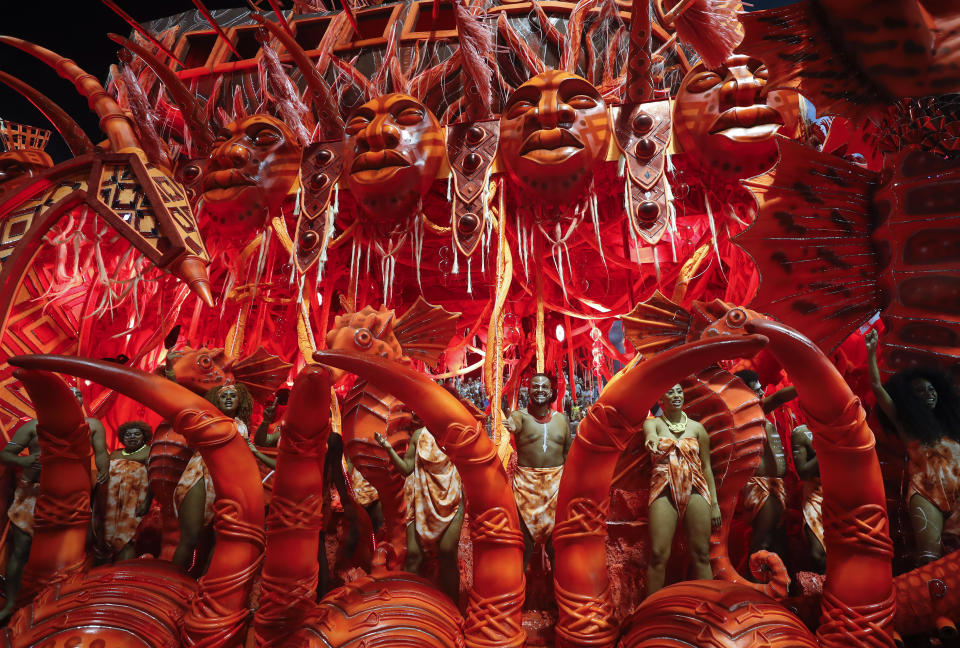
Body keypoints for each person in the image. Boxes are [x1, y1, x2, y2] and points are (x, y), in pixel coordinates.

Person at [0, 386, 107, 622]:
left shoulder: (92, 426)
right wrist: (27, 459)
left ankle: (54, 604)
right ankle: (12, 603)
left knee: (69, 554)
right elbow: (6, 454)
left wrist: (104, 472)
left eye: (75, 397)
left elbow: (101, 454)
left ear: (79, 402)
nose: (70, 402)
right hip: (32, 496)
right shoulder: (32, 427)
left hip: (72, 500)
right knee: (20, 549)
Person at [866, 329, 960, 564]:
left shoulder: (952, 425)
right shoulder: (907, 426)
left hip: (957, 492)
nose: (929, 395)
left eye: (932, 389)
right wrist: (870, 352)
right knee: (928, 559)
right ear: (910, 399)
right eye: (920, 392)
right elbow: (877, 388)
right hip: (925, 493)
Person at [172, 383, 270, 569]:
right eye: (223, 395)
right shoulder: (207, 418)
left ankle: (201, 584)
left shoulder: (241, 425)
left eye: (233, 395)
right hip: (201, 471)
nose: (228, 398)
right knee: (191, 537)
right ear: (215, 399)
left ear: (240, 401)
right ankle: (170, 587)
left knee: (219, 539)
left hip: (228, 479)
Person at [643, 384, 721, 595]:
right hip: (663, 486)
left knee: (702, 554)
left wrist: (714, 504)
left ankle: (708, 607)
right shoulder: (655, 424)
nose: (676, 395)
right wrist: (650, 439)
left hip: (696, 487)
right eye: (670, 391)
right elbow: (649, 433)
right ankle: (650, 612)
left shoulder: (697, 428)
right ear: (661, 397)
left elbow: (706, 468)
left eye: (679, 391)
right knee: (659, 554)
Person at [376, 426, 464, 602]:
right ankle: (410, 609)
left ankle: (454, 610)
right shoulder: (419, 435)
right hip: (421, 501)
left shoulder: (457, 432)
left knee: (447, 553)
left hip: (452, 500)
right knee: (414, 556)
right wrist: (387, 447)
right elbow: (406, 469)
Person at [504, 373, 572, 569]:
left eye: (544, 387)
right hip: (526, 487)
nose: (540, 390)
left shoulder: (562, 419)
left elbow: (568, 454)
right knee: (523, 547)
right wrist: (512, 425)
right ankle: (520, 597)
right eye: (535, 387)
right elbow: (515, 424)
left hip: (556, 487)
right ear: (529, 390)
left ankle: (557, 598)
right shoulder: (520, 416)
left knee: (556, 548)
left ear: (551, 391)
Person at [734, 370, 792, 555]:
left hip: (775, 486)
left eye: (761, 390)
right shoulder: (745, 416)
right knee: (763, 543)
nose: (761, 394)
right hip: (762, 488)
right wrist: (806, 380)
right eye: (756, 392)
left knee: (778, 546)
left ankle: (773, 583)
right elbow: (779, 398)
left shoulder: (760, 418)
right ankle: (751, 584)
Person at [102, 421, 152, 561]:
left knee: (128, 538)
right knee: (107, 537)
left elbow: (153, 478)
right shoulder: (115, 454)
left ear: (144, 436)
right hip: (111, 502)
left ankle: (122, 574)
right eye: (127, 434)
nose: (132, 437)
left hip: (134, 501)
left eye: (136, 434)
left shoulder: (149, 452)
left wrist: (146, 503)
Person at [791, 424, 825, 572]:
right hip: (815, 495)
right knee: (817, 554)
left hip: (841, 493)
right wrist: (826, 447)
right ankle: (823, 592)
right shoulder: (801, 433)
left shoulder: (842, 427)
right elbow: (803, 472)